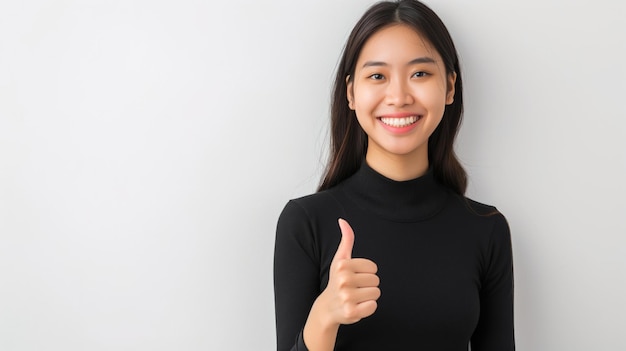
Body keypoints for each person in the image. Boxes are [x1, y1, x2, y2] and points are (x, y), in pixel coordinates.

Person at [273, 0, 515, 350]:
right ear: (351, 93)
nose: (399, 97)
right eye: (377, 76)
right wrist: (324, 316)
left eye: (420, 73)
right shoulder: (306, 222)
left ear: (449, 88)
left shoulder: (486, 229)